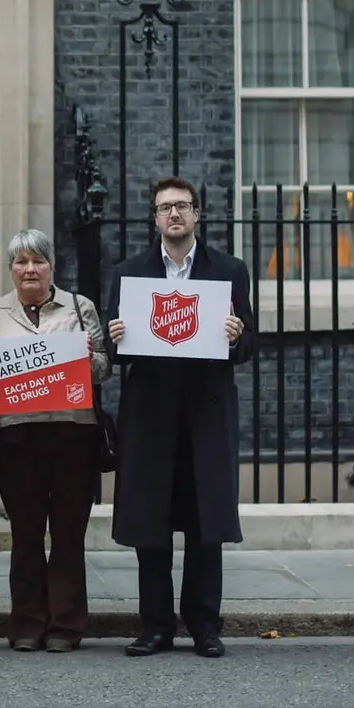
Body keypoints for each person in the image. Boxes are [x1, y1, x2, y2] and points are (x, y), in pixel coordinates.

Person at [106, 176, 256, 658]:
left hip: (205, 413)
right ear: (154, 217)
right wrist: (117, 333)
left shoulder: (229, 270)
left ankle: (205, 624)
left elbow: (251, 344)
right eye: (165, 207)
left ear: (197, 215)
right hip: (150, 417)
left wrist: (237, 336)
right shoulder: (131, 272)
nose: (174, 214)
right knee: (150, 523)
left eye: (183, 206)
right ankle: (155, 625)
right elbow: (116, 351)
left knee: (204, 523)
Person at [0, 229, 110, 653]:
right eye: (21, 262)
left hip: (73, 435)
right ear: (11, 268)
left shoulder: (79, 307)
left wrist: (86, 357)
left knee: (69, 532)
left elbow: (104, 367)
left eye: (38, 261)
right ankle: (27, 623)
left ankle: (66, 625)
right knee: (26, 532)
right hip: (17, 438)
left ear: (52, 266)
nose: (30, 269)